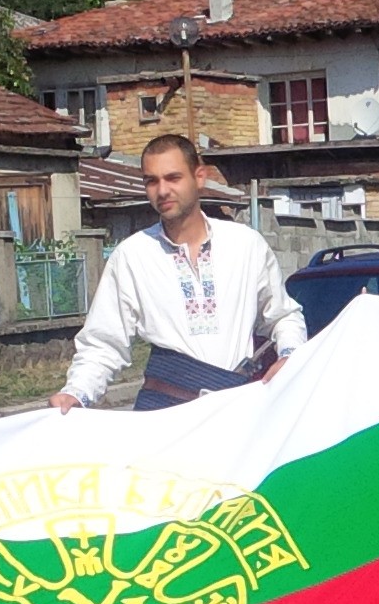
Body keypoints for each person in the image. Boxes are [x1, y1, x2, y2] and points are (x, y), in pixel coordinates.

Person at [54, 134, 307, 411]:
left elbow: (283, 316)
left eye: (173, 178)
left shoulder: (245, 245)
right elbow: (103, 343)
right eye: (152, 181)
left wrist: (290, 357)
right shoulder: (132, 256)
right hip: (164, 412)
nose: (162, 191)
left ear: (199, 177)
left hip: (235, 411)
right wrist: (76, 393)